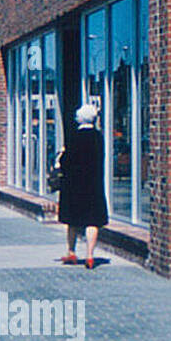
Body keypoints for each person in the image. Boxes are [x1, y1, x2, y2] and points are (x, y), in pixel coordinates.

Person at [55, 103, 108, 269]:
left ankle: (71, 252)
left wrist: (61, 156)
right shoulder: (98, 137)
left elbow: (66, 161)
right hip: (93, 183)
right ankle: (90, 256)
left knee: (72, 220)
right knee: (92, 220)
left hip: (74, 184)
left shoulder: (74, 137)